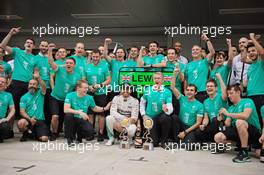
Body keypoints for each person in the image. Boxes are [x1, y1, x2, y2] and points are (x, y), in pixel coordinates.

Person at [214, 85, 262, 163]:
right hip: (240, 132)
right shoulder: (231, 108)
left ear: (238, 92)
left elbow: (245, 116)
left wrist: (228, 114)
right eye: (228, 94)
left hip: (253, 132)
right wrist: (221, 119)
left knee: (239, 122)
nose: (229, 96)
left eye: (231, 93)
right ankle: (241, 146)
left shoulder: (247, 101)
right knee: (217, 137)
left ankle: (244, 152)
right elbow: (228, 125)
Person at [1, 27, 38, 118]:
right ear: (24, 44)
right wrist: (10, 34)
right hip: (15, 83)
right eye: (27, 42)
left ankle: (25, 128)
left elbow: (36, 74)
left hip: (28, 85)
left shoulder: (35, 58)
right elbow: (2, 45)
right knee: (12, 107)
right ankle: (9, 130)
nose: (29, 44)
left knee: (25, 107)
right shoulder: (17, 51)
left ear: (33, 46)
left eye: (31, 43)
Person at [48, 46, 82, 141]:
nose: (68, 64)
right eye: (67, 63)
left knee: (68, 117)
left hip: (66, 100)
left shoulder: (77, 75)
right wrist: (50, 51)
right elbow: (51, 62)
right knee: (55, 116)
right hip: (55, 97)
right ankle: (54, 133)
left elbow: (77, 88)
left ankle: (68, 133)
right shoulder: (59, 69)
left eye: (70, 63)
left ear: (74, 65)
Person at [64, 80, 110, 145]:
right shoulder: (70, 95)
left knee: (90, 132)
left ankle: (79, 137)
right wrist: (79, 112)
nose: (86, 89)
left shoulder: (89, 97)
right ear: (78, 88)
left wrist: (104, 108)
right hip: (73, 119)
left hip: (82, 119)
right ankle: (70, 139)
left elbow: (94, 108)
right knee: (68, 116)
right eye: (84, 88)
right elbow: (66, 109)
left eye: (87, 88)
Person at [170, 68, 204, 150]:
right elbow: (172, 87)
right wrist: (175, 74)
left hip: (190, 128)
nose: (189, 92)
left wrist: (185, 132)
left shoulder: (199, 105)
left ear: (195, 93)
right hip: (180, 125)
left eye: (191, 90)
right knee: (174, 117)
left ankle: (186, 140)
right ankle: (176, 140)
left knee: (189, 147)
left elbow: (198, 123)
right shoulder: (182, 98)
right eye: (187, 90)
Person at [140, 72, 173, 148]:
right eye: (155, 78)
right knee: (153, 143)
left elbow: (170, 108)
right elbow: (142, 103)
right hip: (150, 118)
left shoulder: (167, 91)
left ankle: (163, 141)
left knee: (166, 117)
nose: (156, 80)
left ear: (163, 80)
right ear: (152, 80)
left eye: (158, 78)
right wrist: (143, 115)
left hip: (160, 116)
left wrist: (166, 109)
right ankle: (156, 139)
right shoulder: (147, 90)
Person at [85, 50, 111, 141]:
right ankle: (90, 133)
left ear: (100, 57)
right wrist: (89, 87)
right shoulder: (87, 66)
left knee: (101, 114)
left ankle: (100, 133)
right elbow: (83, 79)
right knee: (90, 114)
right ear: (91, 56)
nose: (95, 58)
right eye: (94, 56)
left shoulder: (104, 66)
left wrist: (100, 85)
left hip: (101, 93)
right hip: (89, 93)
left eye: (97, 57)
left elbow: (108, 80)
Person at [195, 74, 228, 143]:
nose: (209, 88)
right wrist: (203, 125)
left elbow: (225, 93)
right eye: (207, 86)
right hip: (212, 125)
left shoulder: (220, 97)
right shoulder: (205, 101)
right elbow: (206, 118)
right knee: (198, 131)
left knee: (215, 120)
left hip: (223, 124)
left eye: (211, 86)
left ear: (216, 88)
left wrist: (219, 78)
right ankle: (211, 141)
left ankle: (220, 142)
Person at [17, 70, 49, 142]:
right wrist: (30, 119)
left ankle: (32, 134)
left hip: (40, 120)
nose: (32, 85)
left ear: (37, 86)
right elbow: (22, 112)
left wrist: (38, 78)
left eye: (34, 84)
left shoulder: (40, 93)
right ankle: (26, 133)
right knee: (21, 123)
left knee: (44, 139)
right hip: (28, 119)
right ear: (28, 85)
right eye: (30, 84)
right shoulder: (24, 97)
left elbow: (44, 86)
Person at [241, 33, 264, 128]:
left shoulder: (261, 62)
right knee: (253, 121)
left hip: (260, 96)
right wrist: (246, 45)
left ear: (257, 51)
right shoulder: (250, 66)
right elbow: (243, 58)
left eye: (253, 50)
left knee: (261, 120)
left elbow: (262, 52)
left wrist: (252, 38)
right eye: (249, 51)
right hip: (250, 97)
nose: (251, 53)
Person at [184, 34, 215, 103]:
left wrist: (207, 40)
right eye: (193, 50)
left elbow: (212, 52)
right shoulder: (188, 65)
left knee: (202, 113)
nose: (195, 51)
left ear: (201, 52)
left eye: (197, 49)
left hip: (202, 92)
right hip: (190, 93)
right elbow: (186, 79)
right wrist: (185, 91)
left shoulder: (205, 62)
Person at [35, 41, 52, 130]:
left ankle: (47, 129)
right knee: (38, 109)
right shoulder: (35, 58)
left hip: (49, 88)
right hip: (38, 88)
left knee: (47, 110)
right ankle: (35, 129)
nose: (44, 48)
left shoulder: (50, 59)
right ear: (39, 46)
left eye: (46, 46)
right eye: (42, 46)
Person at [0, 77, 15, 143]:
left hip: (1, 119)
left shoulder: (8, 95)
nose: (0, 83)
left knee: (5, 128)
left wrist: (7, 119)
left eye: (3, 82)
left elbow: (12, 109)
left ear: (6, 85)